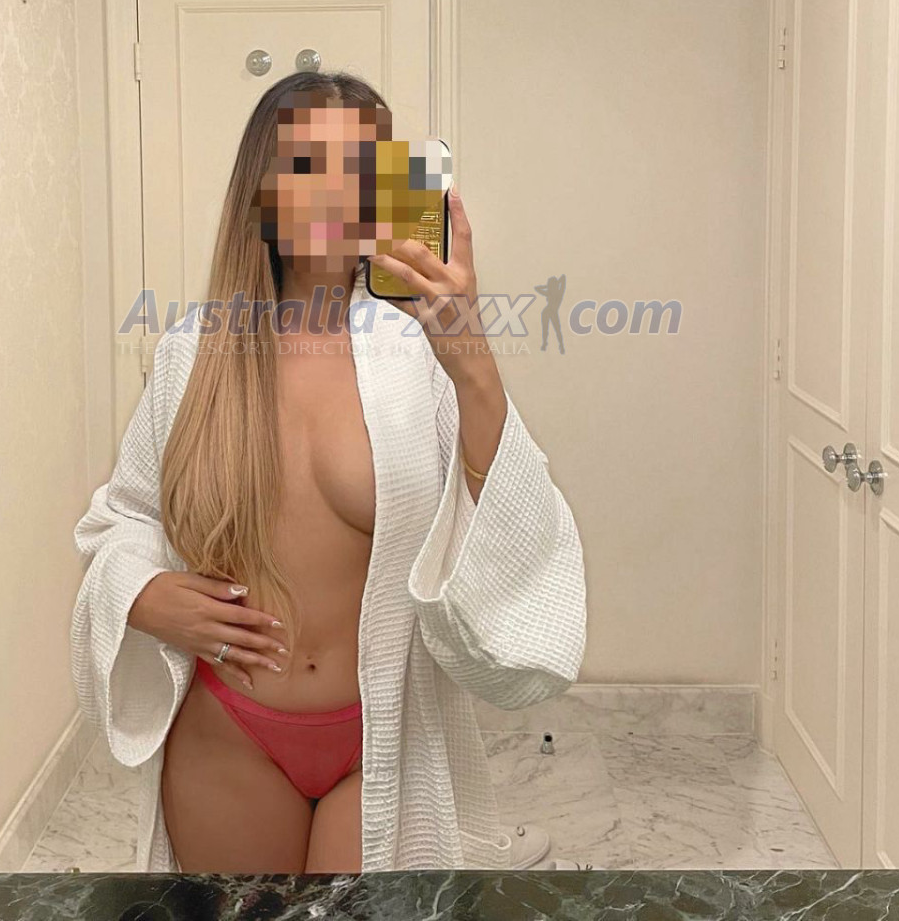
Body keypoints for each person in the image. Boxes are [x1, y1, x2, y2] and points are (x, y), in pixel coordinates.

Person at [69, 71, 587, 873]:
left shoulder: (417, 354)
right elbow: (125, 515)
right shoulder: (193, 353)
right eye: (310, 165)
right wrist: (141, 593)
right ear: (262, 192)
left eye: (364, 167)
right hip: (228, 733)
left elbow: (511, 514)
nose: (339, 191)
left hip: (378, 732)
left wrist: (471, 357)